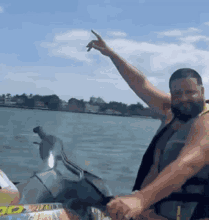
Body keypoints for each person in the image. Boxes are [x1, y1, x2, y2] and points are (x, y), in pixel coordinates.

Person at [87, 30, 209, 220]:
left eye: (190, 92)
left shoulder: (206, 120)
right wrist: (112, 54)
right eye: (177, 93)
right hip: (151, 211)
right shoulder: (173, 112)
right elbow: (142, 84)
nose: (183, 98)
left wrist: (140, 199)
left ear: (202, 91)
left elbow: (189, 163)